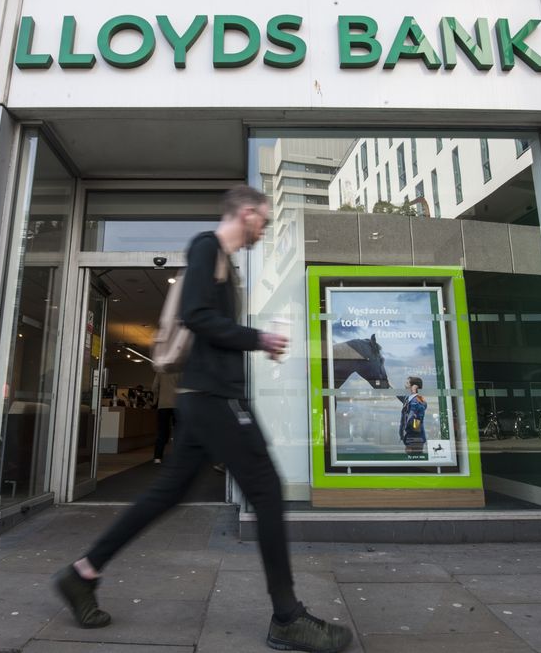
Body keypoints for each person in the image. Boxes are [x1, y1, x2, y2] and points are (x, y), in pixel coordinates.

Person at [54, 185, 352, 653]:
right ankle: (287, 616)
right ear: (248, 213)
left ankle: (82, 573)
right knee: (267, 490)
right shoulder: (206, 247)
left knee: (167, 492)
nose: (266, 228)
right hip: (214, 399)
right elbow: (195, 315)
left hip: (204, 397)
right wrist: (260, 338)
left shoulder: (222, 262)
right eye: (265, 220)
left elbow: (206, 321)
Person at [150, 371, 178, 463]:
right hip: (177, 405)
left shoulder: (160, 372)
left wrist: (156, 398)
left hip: (163, 405)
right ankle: (178, 456)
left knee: (162, 431)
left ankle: (157, 457)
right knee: (179, 431)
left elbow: (154, 387)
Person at [398, 375, 427, 456]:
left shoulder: (417, 400)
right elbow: (402, 398)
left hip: (414, 439)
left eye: (407, 383)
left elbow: (417, 419)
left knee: (415, 459)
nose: (405, 385)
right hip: (410, 437)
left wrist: (412, 439)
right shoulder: (409, 398)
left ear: (414, 386)